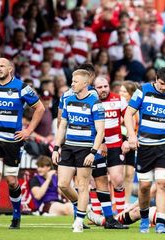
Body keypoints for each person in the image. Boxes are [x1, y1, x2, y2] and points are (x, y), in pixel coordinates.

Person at [0, 58, 45, 230]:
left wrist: (28, 131)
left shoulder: (21, 87)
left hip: (13, 141)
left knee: (12, 180)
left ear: (10, 69)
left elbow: (40, 108)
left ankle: (16, 216)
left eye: (1, 66)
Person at [124, 67, 165, 234]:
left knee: (163, 184)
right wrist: (131, 136)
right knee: (145, 186)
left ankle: (160, 222)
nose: (164, 88)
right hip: (145, 146)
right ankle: (144, 218)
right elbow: (128, 114)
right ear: (156, 79)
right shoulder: (143, 91)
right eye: (161, 84)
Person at [52, 69, 105, 233]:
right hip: (68, 146)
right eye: (72, 81)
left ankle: (79, 221)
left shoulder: (95, 103)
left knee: (83, 186)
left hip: (85, 148)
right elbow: (62, 126)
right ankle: (86, 209)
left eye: (75, 81)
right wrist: (56, 148)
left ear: (85, 84)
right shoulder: (68, 100)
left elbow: (100, 131)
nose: (72, 84)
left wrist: (93, 152)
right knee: (63, 184)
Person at [94, 76, 128, 214]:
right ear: (94, 88)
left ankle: (121, 213)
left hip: (115, 145)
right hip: (96, 146)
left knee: (118, 180)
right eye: (99, 87)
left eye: (105, 86)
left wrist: (129, 138)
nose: (103, 90)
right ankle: (96, 215)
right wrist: (100, 143)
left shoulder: (119, 99)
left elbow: (129, 119)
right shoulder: (91, 101)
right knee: (94, 181)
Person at [118, 81, 139, 205]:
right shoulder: (117, 105)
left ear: (131, 94)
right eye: (120, 90)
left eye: (124, 91)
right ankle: (116, 202)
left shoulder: (135, 108)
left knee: (130, 174)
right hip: (118, 140)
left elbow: (138, 124)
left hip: (131, 141)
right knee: (119, 174)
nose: (121, 93)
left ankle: (126, 202)